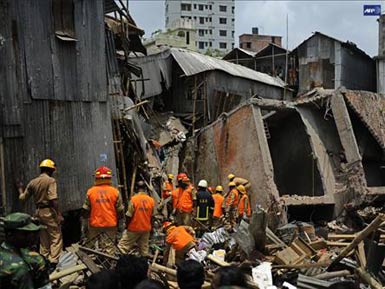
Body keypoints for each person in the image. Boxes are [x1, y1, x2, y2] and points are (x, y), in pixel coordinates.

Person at [19, 159, 63, 266]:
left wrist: (20, 188)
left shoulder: (32, 182)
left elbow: (22, 198)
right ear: (50, 170)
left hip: (38, 212)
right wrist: (58, 214)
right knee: (55, 236)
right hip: (49, 211)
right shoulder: (51, 181)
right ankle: (53, 262)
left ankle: (44, 259)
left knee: (44, 237)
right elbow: (53, 199)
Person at [0, 212, 50, 289]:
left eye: (31, 233)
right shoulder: (19, 268)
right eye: (25, 234)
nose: (30, 237)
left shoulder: (32, 258)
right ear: (10, 234)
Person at [81, 166, 125, 255]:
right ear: (109, 178)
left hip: (95, 224)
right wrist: (120, 224)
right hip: (110, 224)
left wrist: (84, 225)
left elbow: (85, 210)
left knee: (90, 246)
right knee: (108, 248)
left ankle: (89, 265)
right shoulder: (115, 192)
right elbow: (120, 210)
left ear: (96, 178)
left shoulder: (90, 192)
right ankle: (107, 265)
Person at [118, 181, 155, 256]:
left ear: (136, 188)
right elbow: (152, 217)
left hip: (134, 228)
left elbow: (129, 215)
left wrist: (127, 226)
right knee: (144, 251)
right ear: (145, 189)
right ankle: (144, 265)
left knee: (122, 247)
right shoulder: (151, 200)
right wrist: (151, 228)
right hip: (146, 229)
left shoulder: (134, 199)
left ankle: (121, 263)